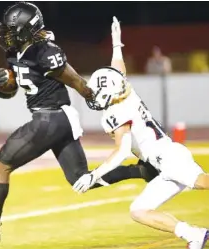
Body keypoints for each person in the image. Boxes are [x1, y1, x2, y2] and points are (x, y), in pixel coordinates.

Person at [0, 3, 159, 245]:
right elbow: (11, 90)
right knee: (79, 179)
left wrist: (91, 95)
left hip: (51, 117)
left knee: (3, 164)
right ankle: (141, 170)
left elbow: (73, 79)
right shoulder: (15, 52)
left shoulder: (45, 50)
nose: (7, 35)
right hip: (57, 119)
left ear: (27, 30)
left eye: (12, 30)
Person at [73, 17, 209, 249]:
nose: (92, 95)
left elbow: (123, 150)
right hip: (161, 161)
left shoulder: (115, 111)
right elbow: (118, 69)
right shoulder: (124, 91)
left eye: (96, 91)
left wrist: (93, 176)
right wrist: (116, 43)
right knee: (138, 210)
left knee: (204, 183)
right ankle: (194, 234)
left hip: (168, 157)